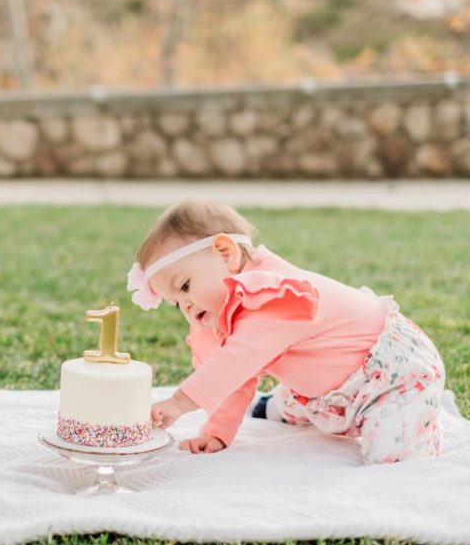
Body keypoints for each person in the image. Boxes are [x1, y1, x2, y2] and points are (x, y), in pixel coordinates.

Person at [127, 198, 445, 464]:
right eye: (174, 302)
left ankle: (417, 422)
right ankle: (276, 406)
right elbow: (231, 379)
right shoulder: (220, 314)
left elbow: (234, 362)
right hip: (329, 388)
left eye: (185, 286)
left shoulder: (277, 297)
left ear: (225, 253)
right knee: (295, 400)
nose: (184, 305)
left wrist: (180, 402)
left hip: (392, 374)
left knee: (392, 457)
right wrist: (217, 433)